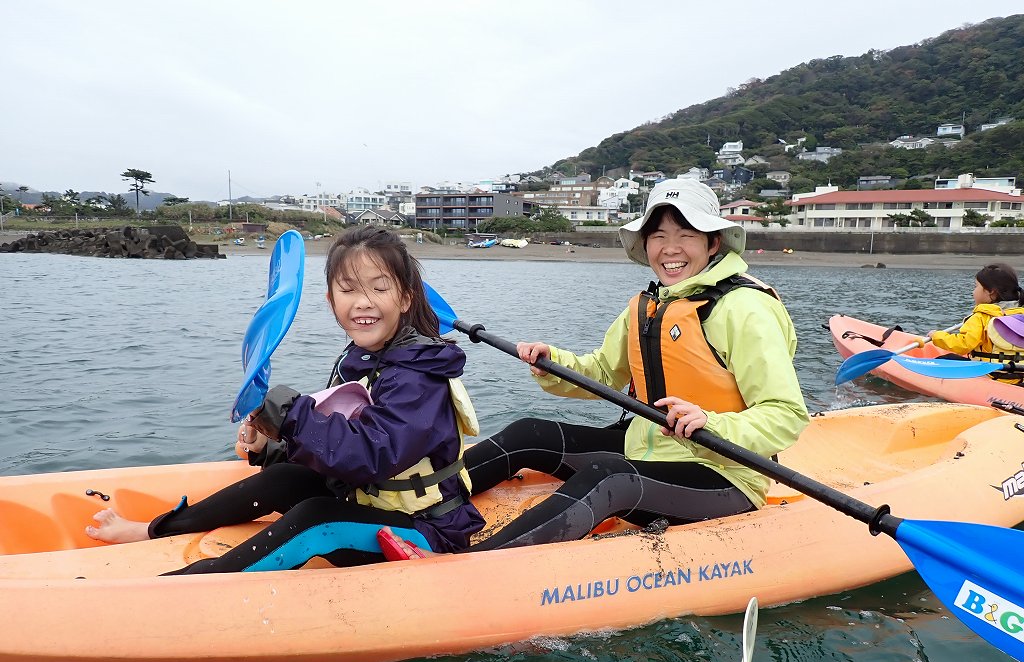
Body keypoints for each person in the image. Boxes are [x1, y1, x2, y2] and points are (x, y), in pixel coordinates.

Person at [382, 178, 809, 558]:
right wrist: (553, 363)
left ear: (713, 243)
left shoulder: (746, 309)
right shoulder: (651, 304)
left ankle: (471, 565)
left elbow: (786, 414)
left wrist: (710, 423)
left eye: (686, 235)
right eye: (658, 235)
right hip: (648, 447)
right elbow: (604, 373)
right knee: (530, 432)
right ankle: (405, 506)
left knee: (609, 477)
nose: (670, 248)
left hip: (725, 474)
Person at [86, 226, 484, 574]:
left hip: (425, 531)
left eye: (379, 288)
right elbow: (337, 442)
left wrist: (290, 414)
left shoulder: (418, 376)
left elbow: (370, 455)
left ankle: (186, 587)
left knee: (316, 518)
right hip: (372, 502)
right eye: (348, 290)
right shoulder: (364, 358)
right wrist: (272, 444)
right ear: (330, 301)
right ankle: (154, 530)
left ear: (406, 299)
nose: (362, 302)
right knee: (284, 478)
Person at [927, 263, 1024, 377]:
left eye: (976, 286)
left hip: (991, 374)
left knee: (945, 359)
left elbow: (963, 344)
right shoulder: (1020, 313)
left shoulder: (982, 317)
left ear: (991, 292)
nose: (973, 291)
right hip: (1019, 376)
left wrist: (936, 336)